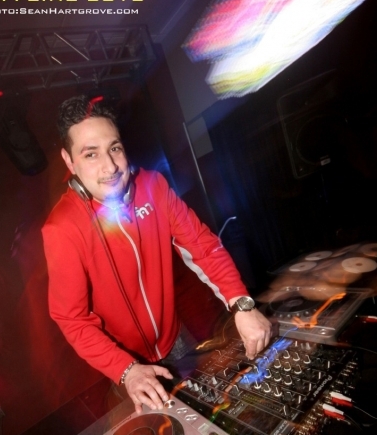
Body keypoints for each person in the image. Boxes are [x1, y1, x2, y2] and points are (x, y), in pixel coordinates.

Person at [42, 96, 272, 414]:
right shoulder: (62, 228)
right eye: (91, 154)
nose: (110, 167)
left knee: (211, 411)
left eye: (114, 148)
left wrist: (241, 304)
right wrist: (124, 370)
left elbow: (203, 246)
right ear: (69, 161)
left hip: (175, 336)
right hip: (126, 360)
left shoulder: (153, 187)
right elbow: (72, 319)